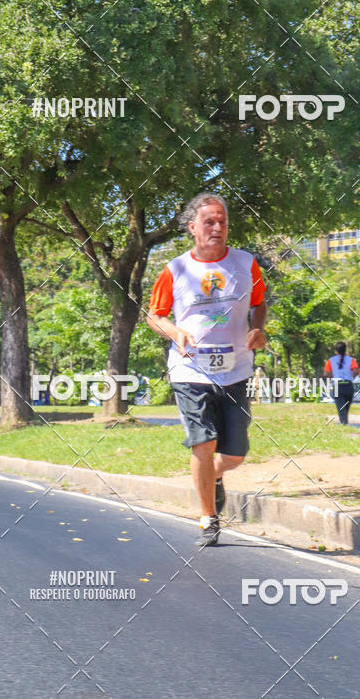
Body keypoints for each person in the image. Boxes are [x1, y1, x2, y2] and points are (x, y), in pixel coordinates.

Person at [147, 192, 267, 546]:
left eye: (222, 221)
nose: (217, 228)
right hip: (190, 369)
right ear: (192, 228)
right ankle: (208, 518)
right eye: (209, 222)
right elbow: (155, 315)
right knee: (204, 440)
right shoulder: (175, 269)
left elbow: (259, 303)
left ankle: (212, 475)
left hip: (236, 368)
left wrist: (258, 329)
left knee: (234, 454)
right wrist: (175, 331)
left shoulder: (247, 264)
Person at [324, 342, 358, 424]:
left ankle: (344, 423)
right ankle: (345, 422)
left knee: (341, 407)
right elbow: (356, 371)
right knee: (346, 407)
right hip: (349, 385)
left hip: (338, 385)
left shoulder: (330, 360)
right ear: (345, 350)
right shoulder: (351, 360)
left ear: (336, 350)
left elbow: (326, 374)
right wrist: (351, 376)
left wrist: (333, 377)